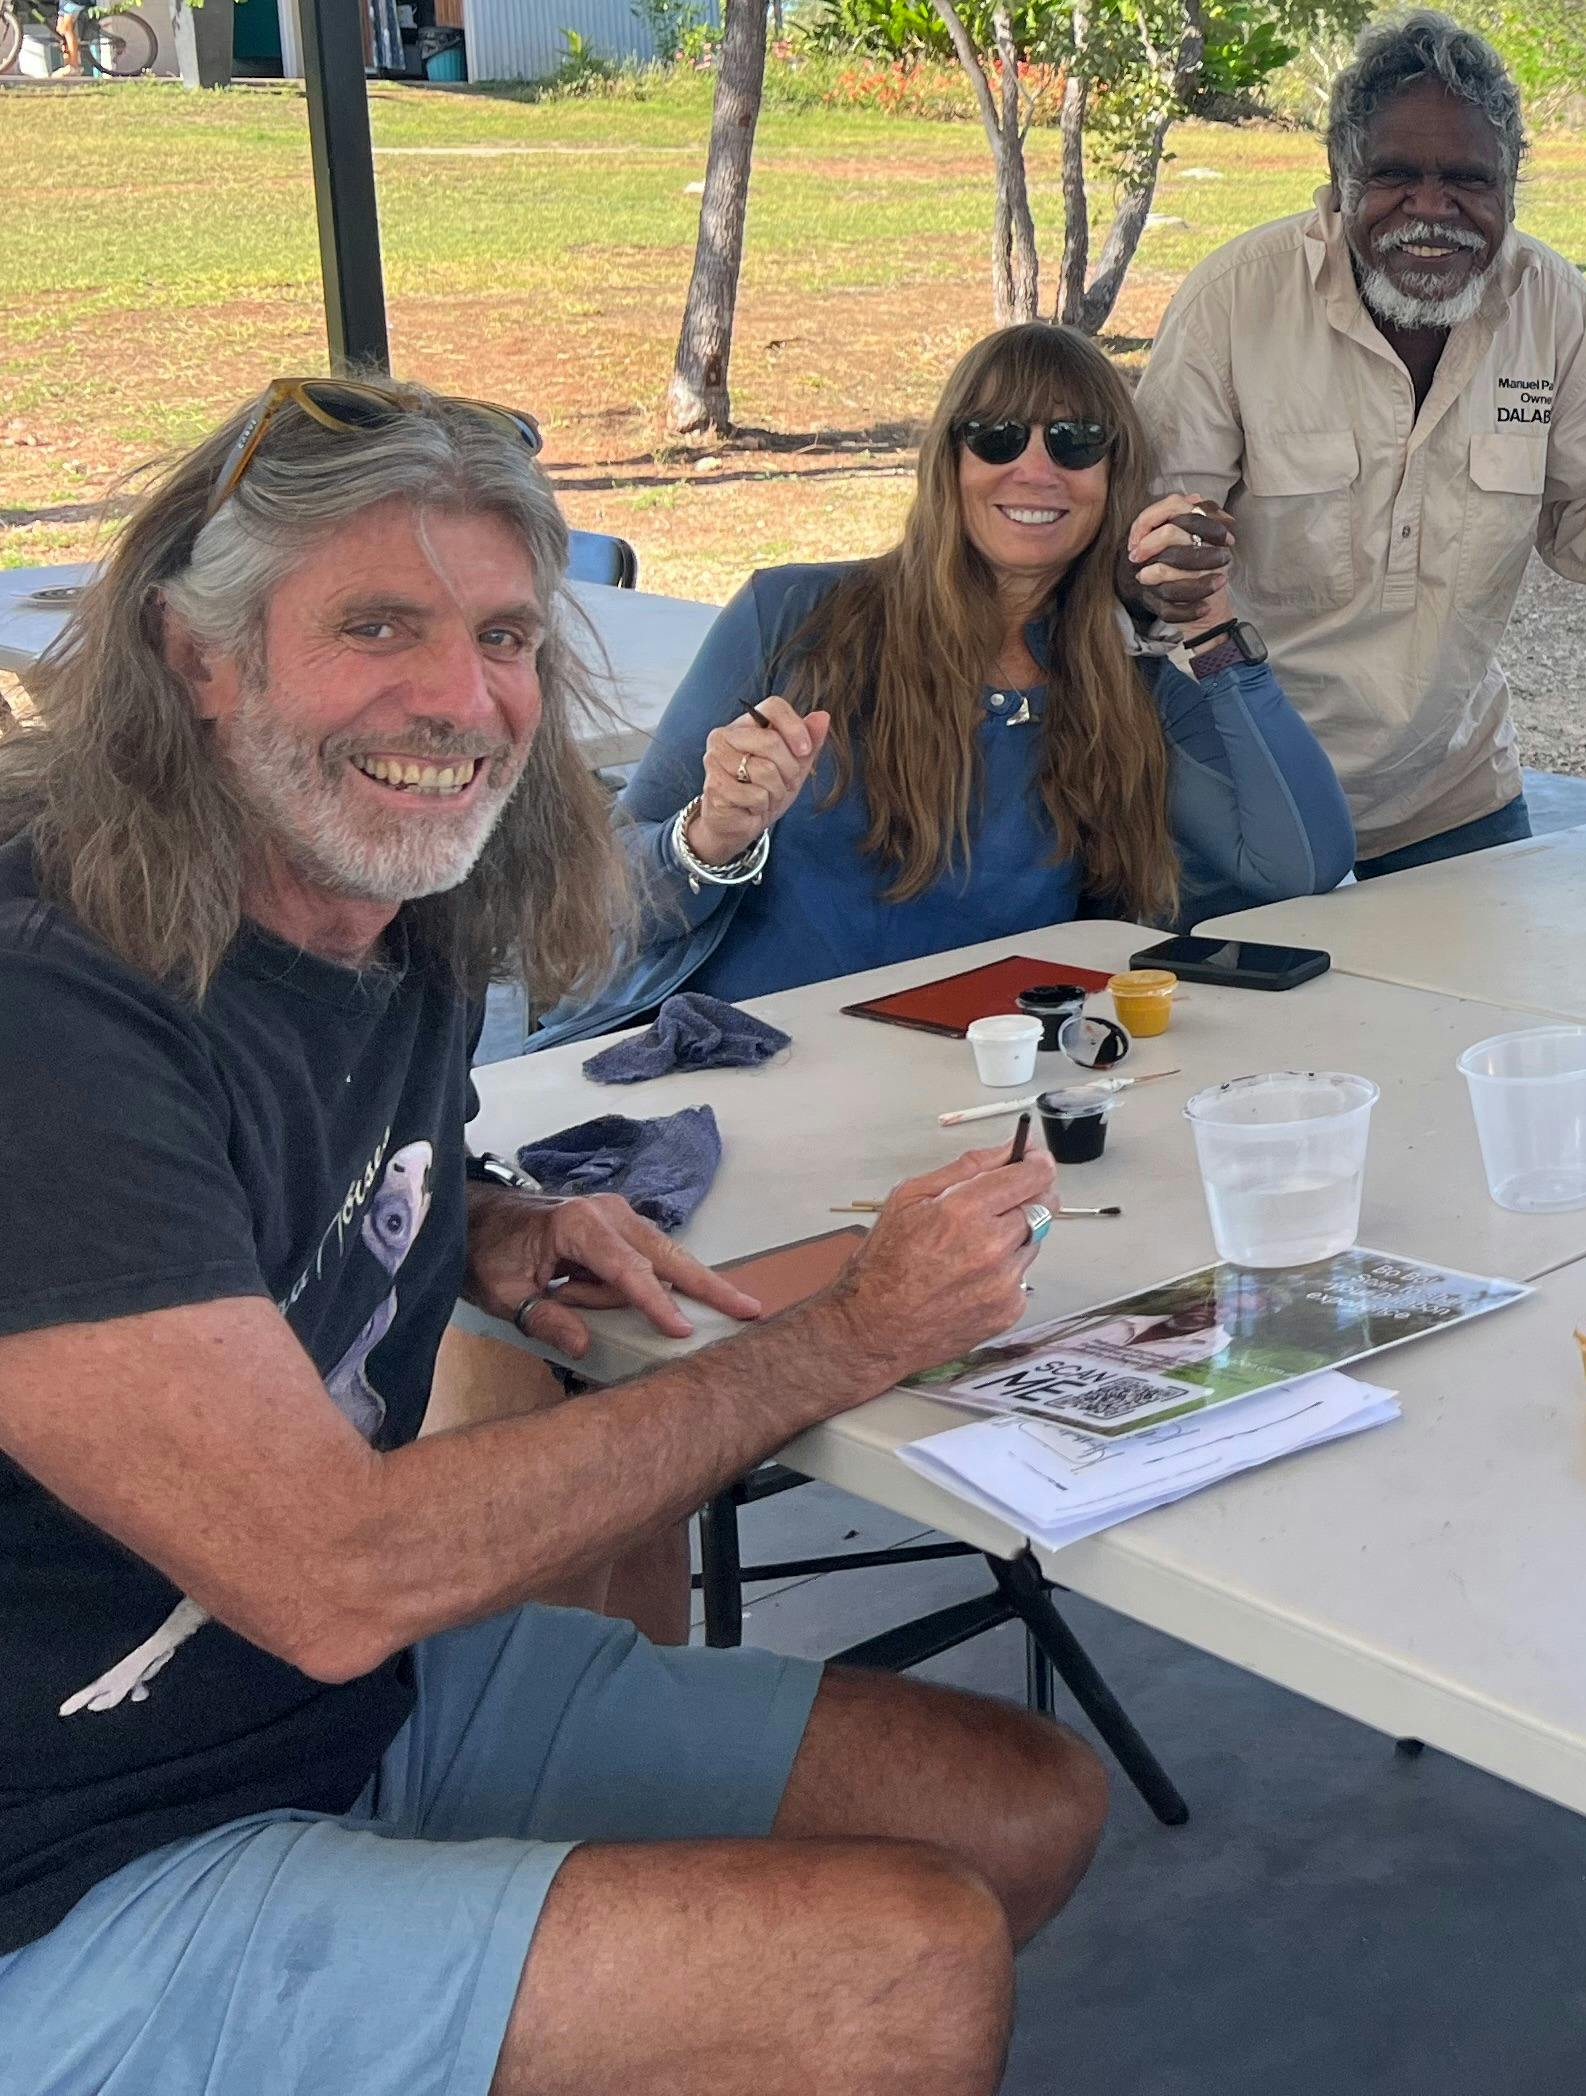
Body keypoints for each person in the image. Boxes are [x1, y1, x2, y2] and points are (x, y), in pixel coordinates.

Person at [0, 375, 1101, 2096]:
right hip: (72, 1867)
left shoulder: (389, 900)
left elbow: (253, 1186)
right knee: (893, 1968)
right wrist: (839, 1338)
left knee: (1020, 1804)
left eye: (505, 633)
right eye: (378, 623)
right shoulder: (51, 1007)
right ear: (196, 655)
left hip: (326, 1710)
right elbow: (334, 1572)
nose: (463, 699)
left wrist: (478, 1219)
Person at [550, 320, 1353, 1041]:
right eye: (996, 437)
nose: (1035, 469)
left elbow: (1302, 862)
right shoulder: (793, 616)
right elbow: (610, 902)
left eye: (1075, 441)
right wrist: (711, 835)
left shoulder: (1126, 690)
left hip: (981, 1081)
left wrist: (1211, 626)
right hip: (746, 1058)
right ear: (949, 461)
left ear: (1115, 476)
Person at [1139, 10, 1586, 878]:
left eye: (1468, 180)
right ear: (1339, 176)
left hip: (1451, 794)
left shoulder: (1552, 306)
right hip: (1239, 790)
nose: (1432, 208)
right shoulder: (1234, 301)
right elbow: (1149, 535)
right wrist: (1164, 562)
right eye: (1395, 175)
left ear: (1510, 186)